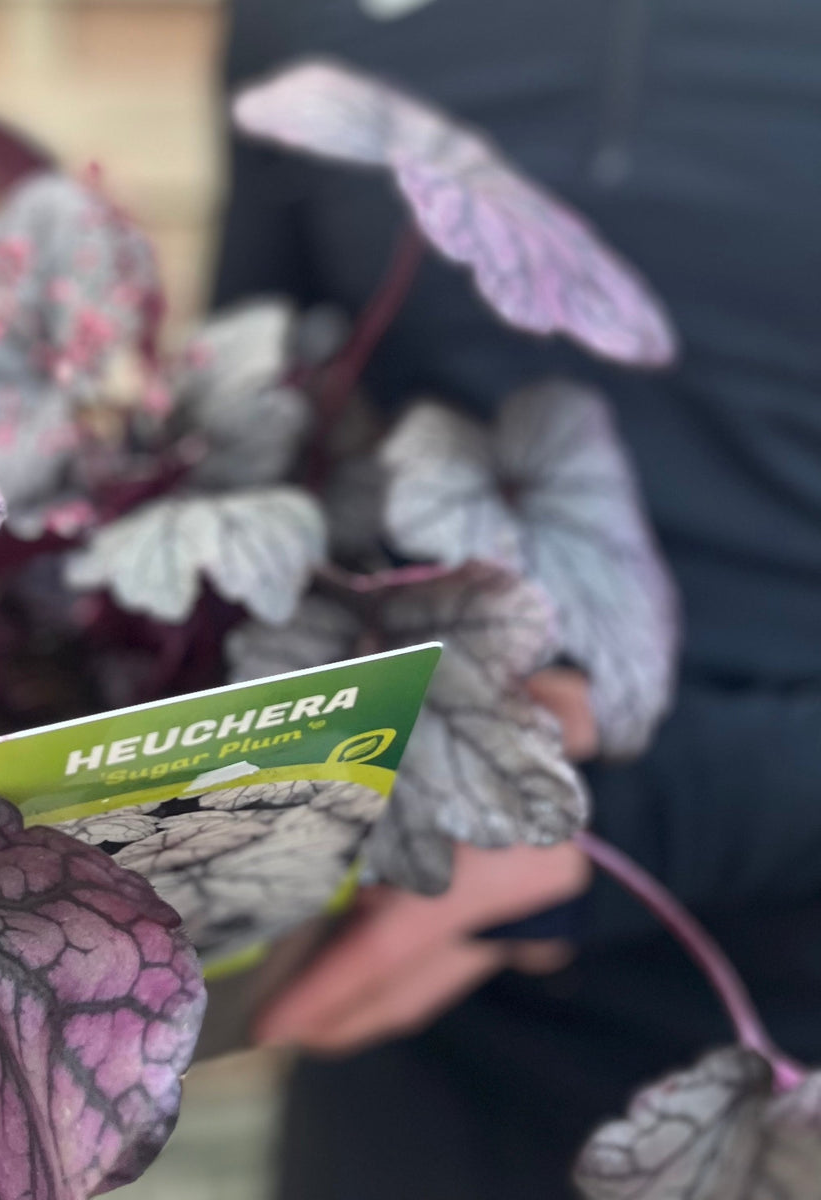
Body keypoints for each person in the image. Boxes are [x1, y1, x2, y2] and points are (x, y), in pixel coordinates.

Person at [211, 2, 821, 1197]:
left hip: (779, 1048)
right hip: (414, 1053)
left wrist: (620, 821)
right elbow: (248, 464)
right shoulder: (313, 22)